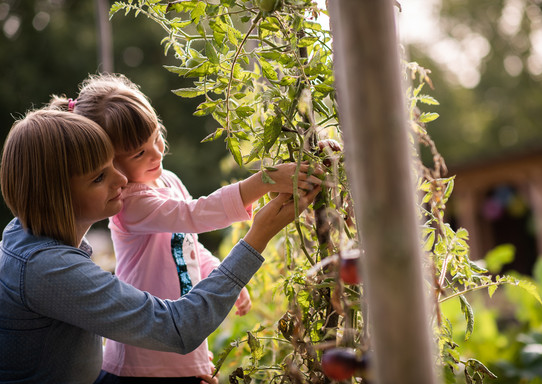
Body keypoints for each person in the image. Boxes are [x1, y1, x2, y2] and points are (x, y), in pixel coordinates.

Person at [0, 109, 321, 384]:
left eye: (114, 163)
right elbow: (176, 328)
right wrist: (257, 236)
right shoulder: (48, 269)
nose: (122, 180)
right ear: (57, 196)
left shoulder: (26, 237)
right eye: (99, 177)